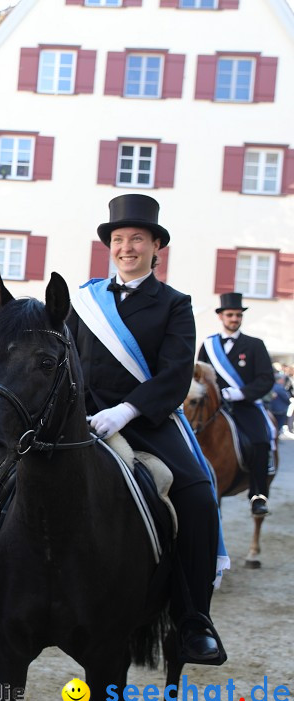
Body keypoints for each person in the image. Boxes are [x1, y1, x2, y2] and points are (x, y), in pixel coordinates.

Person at [60, 193, 224, 665]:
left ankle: (194, 619)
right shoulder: (84, 301)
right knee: (11, 477)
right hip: (83, 417)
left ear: (156, 248)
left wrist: (129, 411)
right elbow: (66, 360)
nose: (126, 247)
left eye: (137, 239)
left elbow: (175, 375)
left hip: (146, 419)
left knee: (196, 492)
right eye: (118, 239)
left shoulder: (175, 304)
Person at [197, 293, 276, 517]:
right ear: (221, 316)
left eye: (238, 315)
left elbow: (265, 379)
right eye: (230, 314)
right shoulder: (209, 345)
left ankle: (258, 495)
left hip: (244, 405)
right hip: (214, 407)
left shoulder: (254, 345)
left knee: (261, 440)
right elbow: (200, 375)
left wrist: (240, 393)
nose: (234, 319)